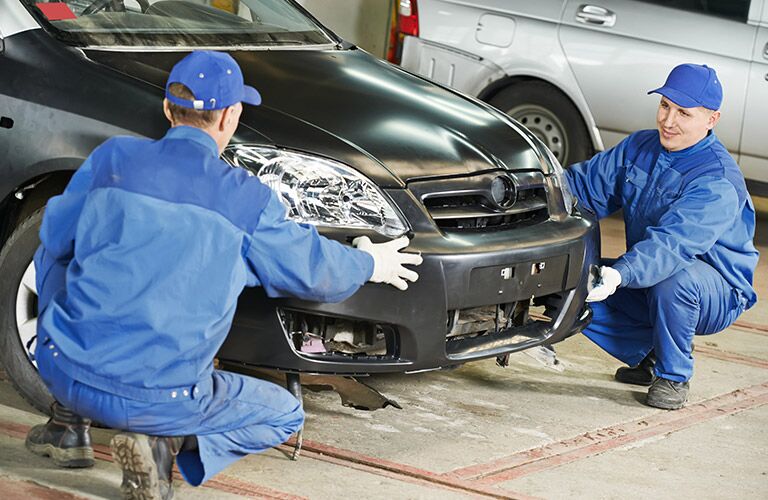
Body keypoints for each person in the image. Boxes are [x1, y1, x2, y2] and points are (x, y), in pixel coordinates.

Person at [24, 50, 422, 499]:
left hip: (62, 367)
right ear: (230, 117)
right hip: (162, 401)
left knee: (56, 249)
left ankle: (66, 425)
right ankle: (161, 446)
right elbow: (316, 272)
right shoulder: (245, 199)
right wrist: (373, 262)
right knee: (283, 415)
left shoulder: (112, 160)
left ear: (166, 107)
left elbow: (54, 240)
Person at [566, 63, 759, 410]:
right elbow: (582, 188)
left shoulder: (716, 180)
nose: (669, 121)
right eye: (665, 106)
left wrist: (621, 273)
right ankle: (649, 351)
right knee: (567, 289)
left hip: (714, 291)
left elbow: (673, 246)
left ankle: (674, 375)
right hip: (650, 274)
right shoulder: (640, 146)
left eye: (684, 113)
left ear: (711, 120)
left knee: (675, 283)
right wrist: (534, 190)